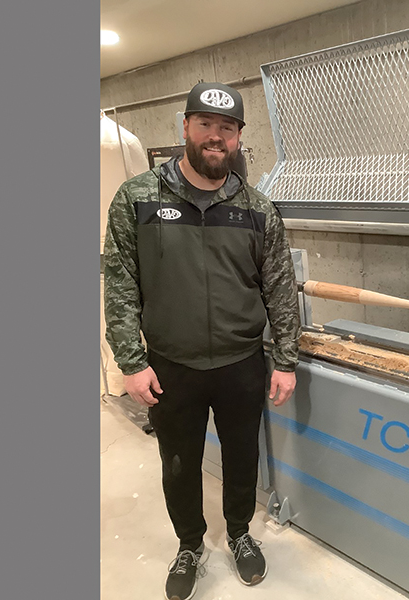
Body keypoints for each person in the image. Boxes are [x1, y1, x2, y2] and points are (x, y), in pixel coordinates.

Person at [104, 81, 301, 600]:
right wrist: (131, 361)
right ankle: (189, 544)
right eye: (206, 124)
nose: (216, 136)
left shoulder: (258, 209)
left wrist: (285, 359)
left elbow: (280, 287)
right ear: (186, 127)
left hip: (241, 364)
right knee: (179, 464)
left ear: (238, 137)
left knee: (242, 457)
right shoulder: (138, 198)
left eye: (227, 128)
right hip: (172, 367)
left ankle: (239, 533)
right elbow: (120, 283)